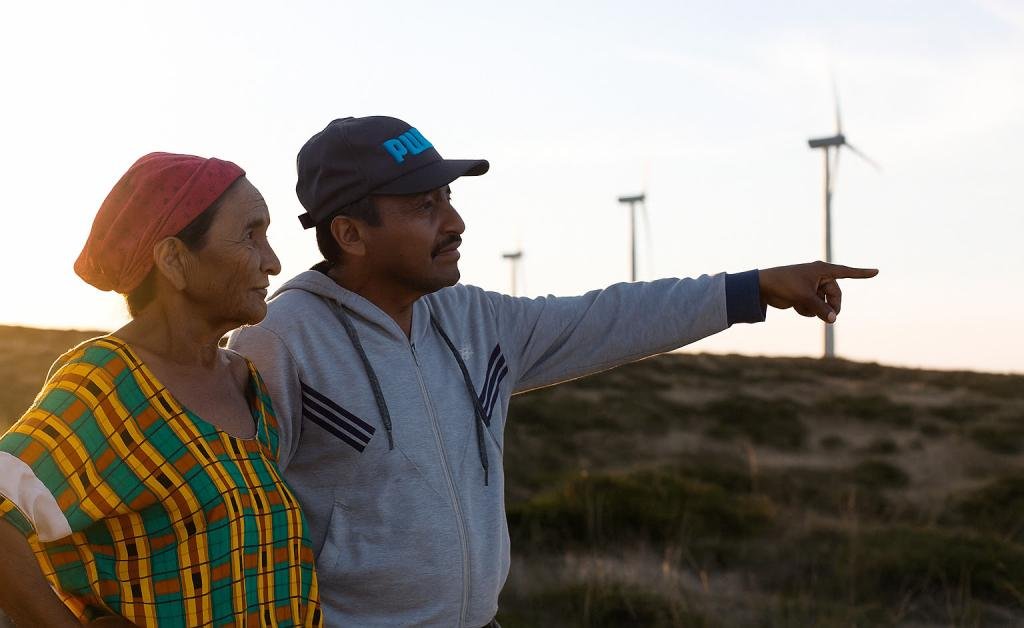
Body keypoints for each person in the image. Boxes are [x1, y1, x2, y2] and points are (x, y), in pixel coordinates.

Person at [227, 116, 878, 627]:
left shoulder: (477, 321)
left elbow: (611, 318)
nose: (455, 222)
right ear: (350, 232)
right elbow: (234, 524)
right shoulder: (280, 343)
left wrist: (755, 288)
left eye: (448, 198)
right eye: (424, 205)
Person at [0, 153, 322, 627]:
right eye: (250, 235)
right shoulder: (107, 383)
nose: (272, 262)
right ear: (174, 260)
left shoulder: (245, 380)